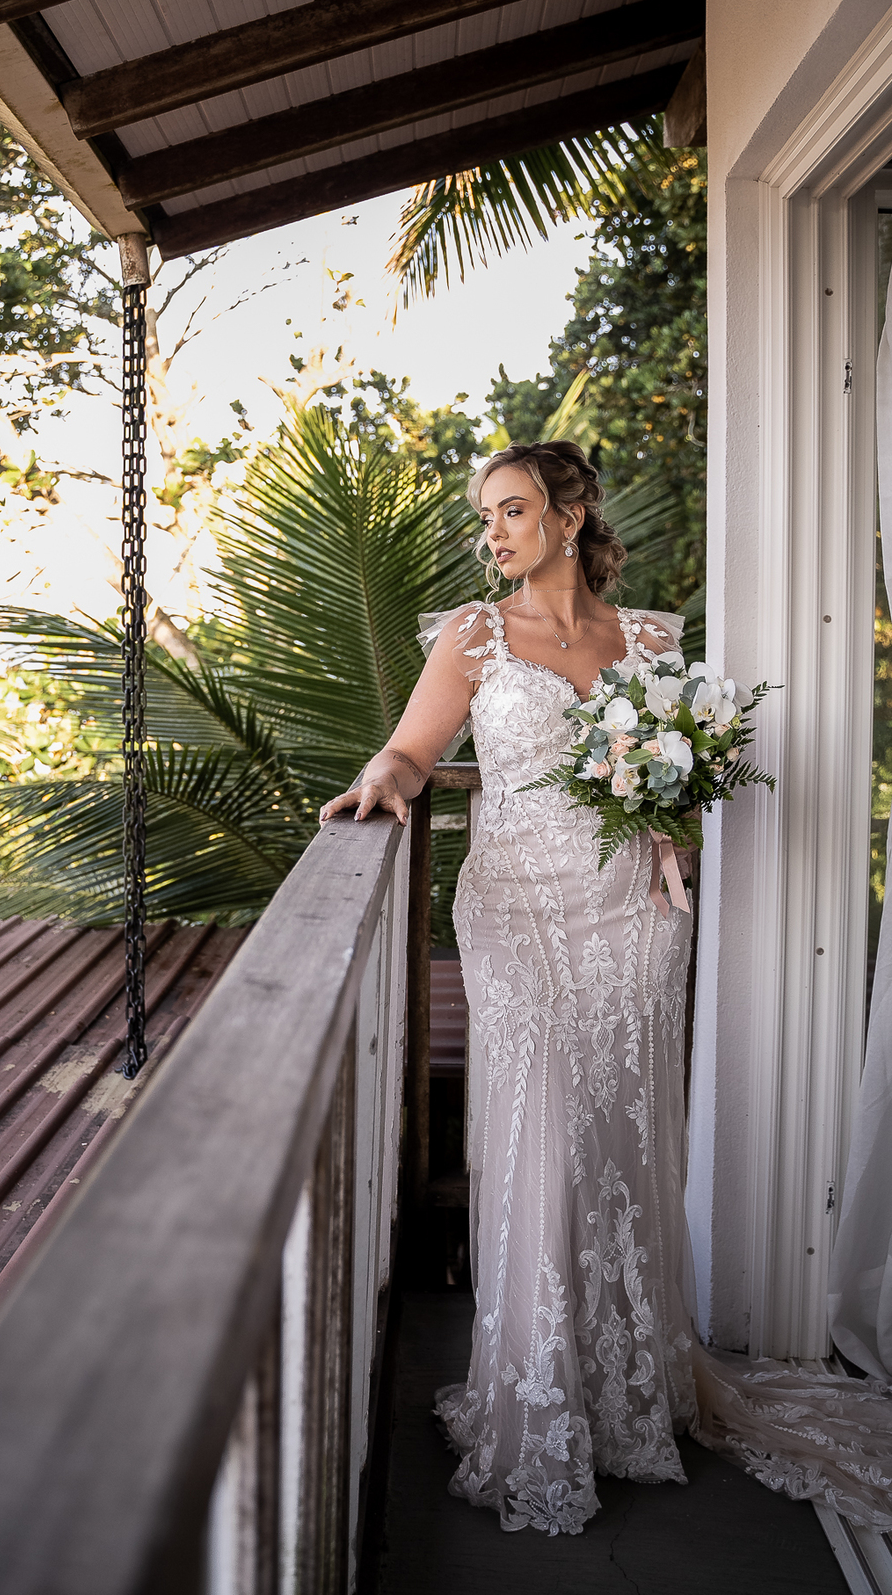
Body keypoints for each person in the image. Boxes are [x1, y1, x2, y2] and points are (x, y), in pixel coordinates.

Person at [321, 439, 892, 1537]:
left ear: (570, 516)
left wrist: (672, 825)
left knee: (622, 1131)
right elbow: (409, 754)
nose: (492, 531)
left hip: (634, 912)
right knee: (539, 1131)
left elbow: (673, 781)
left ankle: (628, 1386)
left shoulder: (652, 642)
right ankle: (535, 1399)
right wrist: (380, 780)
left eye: (512, 509)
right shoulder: (473, 635)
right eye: (487, 514)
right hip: (516, 913)